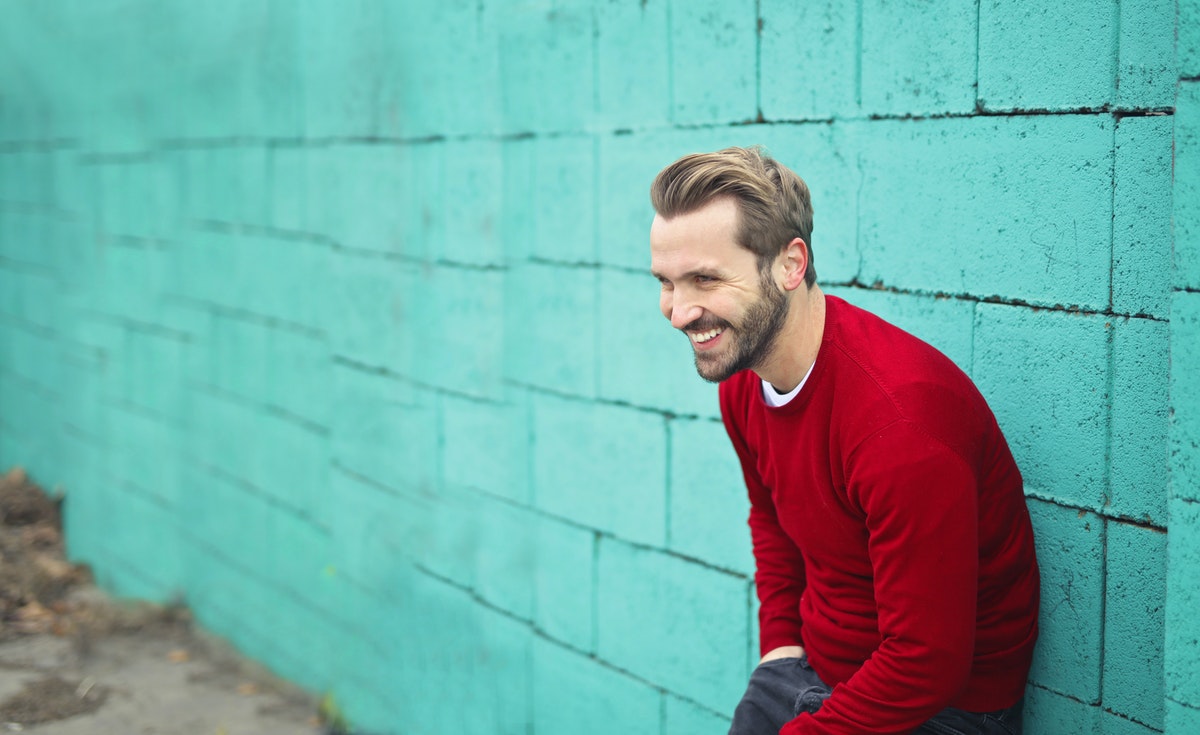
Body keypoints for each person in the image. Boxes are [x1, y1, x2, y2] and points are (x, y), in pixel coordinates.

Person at [648, 147, 1040, 735]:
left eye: (704, 279)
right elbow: (772, 519)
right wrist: (779, 642)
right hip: (812, 668)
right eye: (666, 283)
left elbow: (927, 663)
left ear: (789, 264)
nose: (679, 312)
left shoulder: (900, 422)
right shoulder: (744, 381)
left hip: (942, 710)